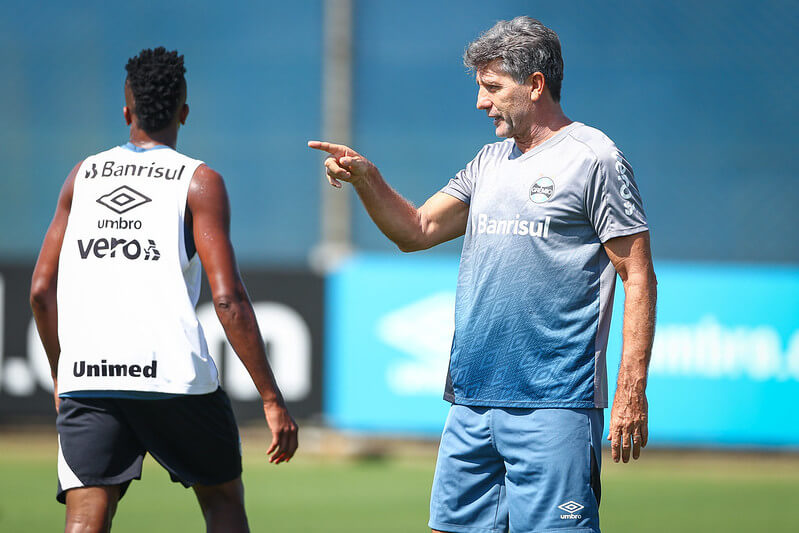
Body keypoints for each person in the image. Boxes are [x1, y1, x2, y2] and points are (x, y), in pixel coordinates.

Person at [309, 16, 656, 533]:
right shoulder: (489, 161)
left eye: (493, 87)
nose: (480, 102)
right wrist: (366, 177)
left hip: (553, 404)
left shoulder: (594, 158)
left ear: (536, 85)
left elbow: (639, 275)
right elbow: (417, 229)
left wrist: (631, 387)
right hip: (471, 403)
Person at [30, 47, 298, 533]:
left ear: (127, 112)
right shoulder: (198, 181)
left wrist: (59, 373)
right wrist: (271, 399)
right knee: (221, 502)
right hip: (173, 376)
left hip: (89, 377)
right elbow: (227, 299)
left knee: (86, 518)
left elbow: (41, 290)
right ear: (185, 112)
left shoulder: (82, 176)